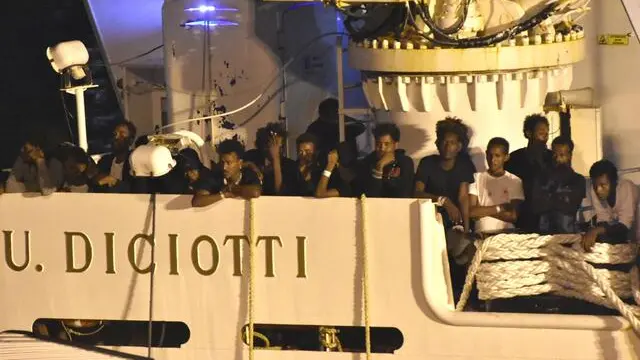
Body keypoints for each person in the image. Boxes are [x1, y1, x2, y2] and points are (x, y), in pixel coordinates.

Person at [415, 117, 476, 234]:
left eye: (452, 143)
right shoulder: (427, 163)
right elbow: (417, 193)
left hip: (455, 222)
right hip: (430, 219)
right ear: (437, 143)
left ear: (459, 147)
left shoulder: (464, 164)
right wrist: (443, 200)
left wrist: (467, 230)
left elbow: (463, 198)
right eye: (445, 142)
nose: (447, 147)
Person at [504, 114, 553, 231]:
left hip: (549, 221)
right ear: (528, 133)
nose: (545, 137)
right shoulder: (514, 159)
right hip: (522, 220)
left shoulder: (553, 158)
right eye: (541, 133)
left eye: (547, 134)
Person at [530, 136, 585, 234]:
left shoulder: (578, 180)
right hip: (544, 236)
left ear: (570, 155)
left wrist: (549, 199)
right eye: (555, 155)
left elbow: (571, 207)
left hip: (567, 236)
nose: (557, 159)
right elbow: (536, 207)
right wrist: (560, 199)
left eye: (562, 155)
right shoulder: (541, 178)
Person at [469, 137, 524, 234]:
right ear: (486, 154)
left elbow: (512, 216)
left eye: (497, 156)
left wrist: (482, 210)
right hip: (481, 234)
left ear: (506, 157)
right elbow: (471, 212)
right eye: (490, 155)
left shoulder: (515, 181)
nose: (492, 160)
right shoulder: (476, 178)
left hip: (507, 234)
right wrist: (500, 208)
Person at [581, 160, 639, 251]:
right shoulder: (595, 190)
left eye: (603, 185)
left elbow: (625, 226)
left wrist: (597, 230)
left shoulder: (626, 188)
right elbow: (603, 220)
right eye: (595, 186)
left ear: (614, 183)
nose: (598, 190)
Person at [192, 139, 261, 207]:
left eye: (229, 163)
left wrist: (232, 188)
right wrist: (223, 195)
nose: (224, 167)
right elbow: (197, 201)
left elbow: (255, 192)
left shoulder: (248, 174)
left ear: (239, 163)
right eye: (222, 162)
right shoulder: (214, 176)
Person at [359, 123, 414, 198]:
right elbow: (369, 195)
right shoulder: (367, 162)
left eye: (386, 144)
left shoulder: (405, 162)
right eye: (378, 144)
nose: (382, 148)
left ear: (395, 145)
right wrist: (379, 167)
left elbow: (404, 193)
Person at [243, 122, 298, 196]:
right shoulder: (252, 156)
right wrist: (250, 165)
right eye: (272, 143)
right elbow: (237, 165)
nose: (275, 147)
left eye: (279, 144)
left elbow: (279, 191)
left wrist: (276, 159)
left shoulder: (289, 165)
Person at [94, 120, 136, 193]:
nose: (116, 137)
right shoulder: (105, 161)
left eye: (121, 134)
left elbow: (136, 189)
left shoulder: (134, 161)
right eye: (114, 134)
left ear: (131, 140)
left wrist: (114, 181)